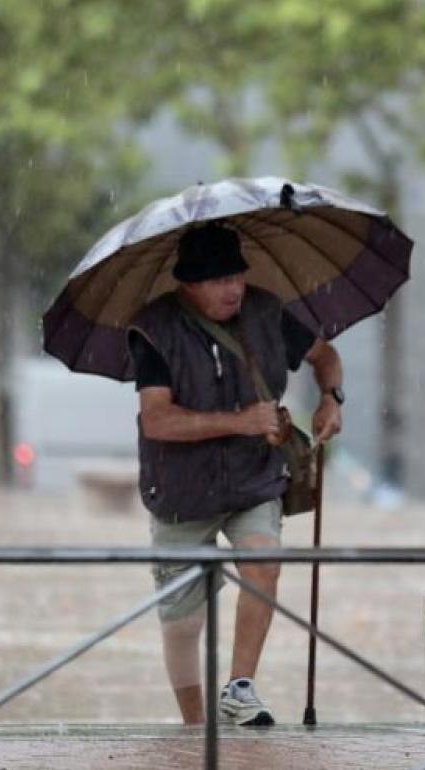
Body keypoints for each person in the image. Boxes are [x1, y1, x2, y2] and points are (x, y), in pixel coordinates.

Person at [127, 222, 345, 726]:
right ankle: (195, 728)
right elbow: (157, 420)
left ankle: (240, 688)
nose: (233, 289)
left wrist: (331, 398)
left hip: (254, 477)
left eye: (237, 277)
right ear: (188, 284)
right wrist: (240, 421)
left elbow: (326, 356)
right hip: (180, 490)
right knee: (183, 622)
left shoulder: (268, 312)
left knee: (264, 560)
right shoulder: (153, 331)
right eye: (218, 280)